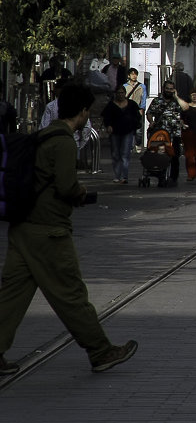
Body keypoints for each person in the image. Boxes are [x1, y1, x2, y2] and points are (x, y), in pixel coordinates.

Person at [0, 84, 138, 375]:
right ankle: (101, 351)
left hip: (22, 227)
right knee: (70, 294)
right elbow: (66, 186)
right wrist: (81, 191)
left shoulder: (40, 136)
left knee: (12, 295)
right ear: (84, 112)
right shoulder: (63, 142)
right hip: (49, 231)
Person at [146, 80, 189, 187]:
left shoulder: (176, 101)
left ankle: (173, 178)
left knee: (175, 156)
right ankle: (161, 176)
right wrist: (151, 122)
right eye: (167, 88)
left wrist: (177, 96)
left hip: (175, 133)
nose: (169, 91)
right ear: (163, 89)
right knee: (161, 155)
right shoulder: (157, 101)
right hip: (161, 133)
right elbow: (149, 113)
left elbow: (186, 107)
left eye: (171, 89)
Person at [101, 87, 140, 185]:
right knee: (115, 154)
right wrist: (108, 125)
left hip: (127, 131)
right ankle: (117, 175)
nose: (120, 95)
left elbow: (137, 116)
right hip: (115, 132)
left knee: (125, 154)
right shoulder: (111, 105)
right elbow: (106, 117)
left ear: (125, 93)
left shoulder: (131, 104)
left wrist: (134, 127)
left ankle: (124, 176)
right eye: (118, 93)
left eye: (122, 93)